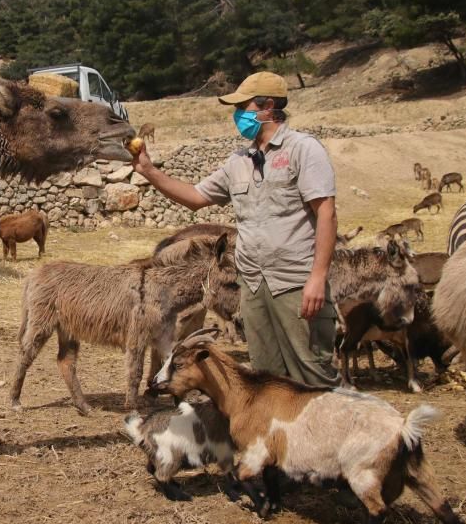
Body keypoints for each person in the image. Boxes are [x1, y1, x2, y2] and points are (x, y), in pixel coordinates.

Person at [132, 71, 340, 386]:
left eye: (243, 106)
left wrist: (318, 278)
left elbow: (326, 213)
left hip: (296, 283)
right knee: (266, 380)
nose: (237, 115)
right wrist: (148, 170)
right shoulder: (239, 161)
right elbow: (195, 197)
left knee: (312, 375)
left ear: (268, 107)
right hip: (254, 286)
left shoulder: (303, 150)